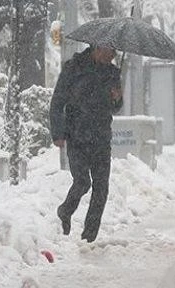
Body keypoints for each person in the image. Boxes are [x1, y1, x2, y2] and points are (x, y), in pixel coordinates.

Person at [50, 43, 123, 242]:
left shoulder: (113, 73)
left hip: (101, 137)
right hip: (77, 135)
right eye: (110, 52)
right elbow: (57, 101)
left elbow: (115, 107)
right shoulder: (73, 68)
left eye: (114, 53)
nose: (112, 56)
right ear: (98, 48)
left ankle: (89, 236)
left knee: (101, 188)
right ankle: (65, 211)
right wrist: (57, 132)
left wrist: (117, 99)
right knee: (82, 182)